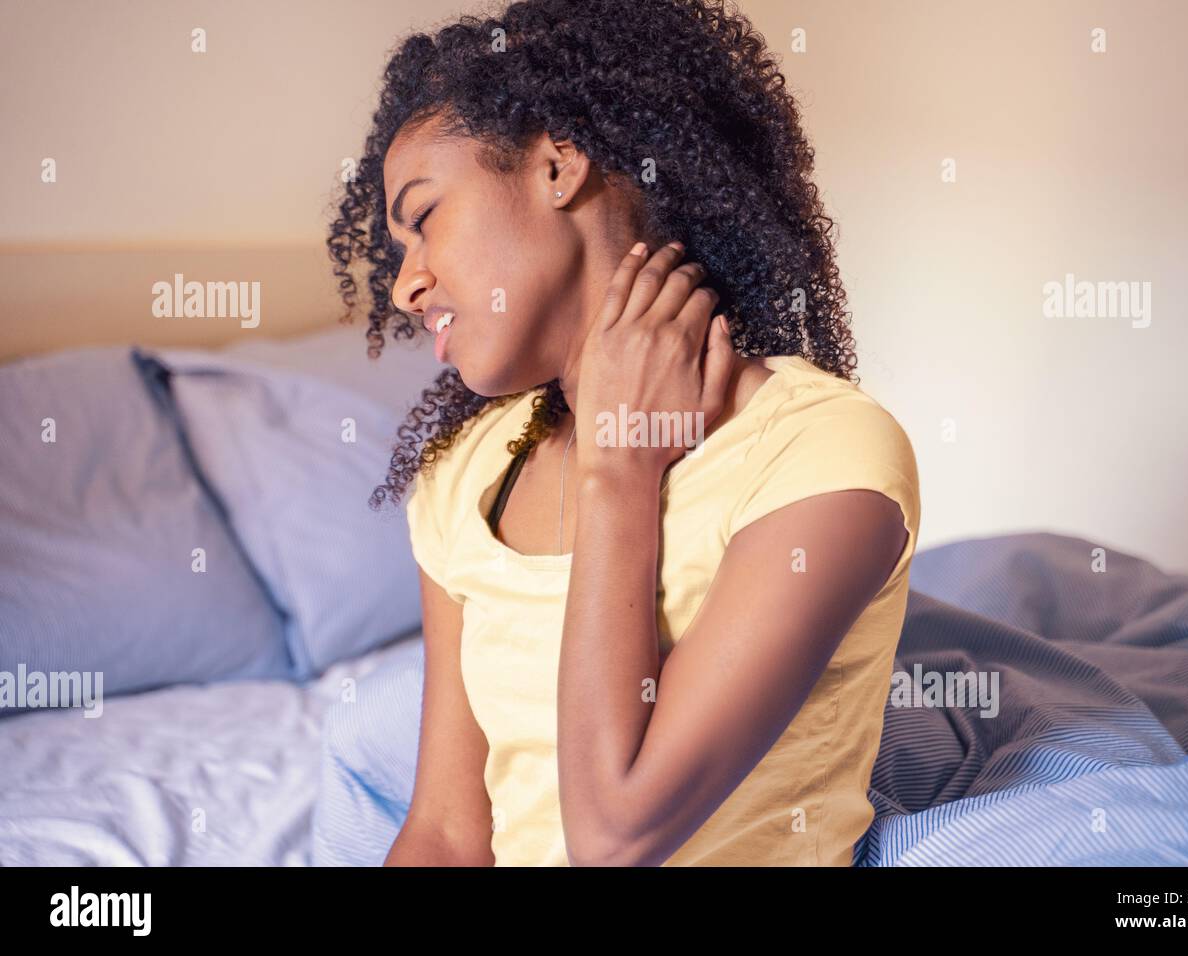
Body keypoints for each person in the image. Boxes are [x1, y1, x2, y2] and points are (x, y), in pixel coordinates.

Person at [325, 0, 920, 867]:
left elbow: (615, 831)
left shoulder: (822, 455)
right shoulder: (464, 474)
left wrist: (620, 465)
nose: (406, 286)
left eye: (424, 217)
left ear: (558, 164)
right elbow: (448, 834)